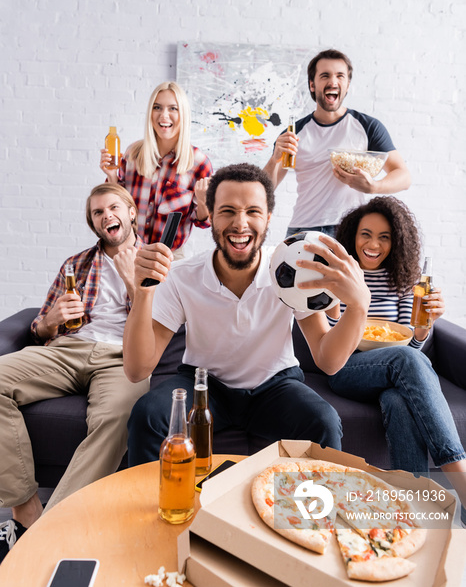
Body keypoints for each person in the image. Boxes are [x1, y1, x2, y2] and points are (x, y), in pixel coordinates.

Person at [123, 163, 371, 467]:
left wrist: (359, 305)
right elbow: (137, 370)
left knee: (324, 421)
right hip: (204, 385)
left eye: (252, 212)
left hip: (275, 386)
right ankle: (145, 510)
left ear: (267, 219)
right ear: (211, 216)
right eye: (227, 211)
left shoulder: (293, 271)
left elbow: (328, 361)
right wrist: (143, 292)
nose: (240, 224)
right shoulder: (182, 276)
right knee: (147, 415)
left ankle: (314, 513)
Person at [0, 184, 150, 563]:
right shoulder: (75, 264)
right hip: (68, 350)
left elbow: (163, 324)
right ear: (94, 222)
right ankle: (25, 511)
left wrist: (134, 281)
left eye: (113, 207)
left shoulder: (157, 260)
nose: (106, 216)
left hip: (121, 357)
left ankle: (55, 525)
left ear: (131, 212)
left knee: (118, 416)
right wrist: (49, 322)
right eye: (98, 212)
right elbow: (39, 327)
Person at [328, 196, 466, 511]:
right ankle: (461, 477)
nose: (373, 243)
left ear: (396, 242)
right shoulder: (339, 274)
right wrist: (336, 302)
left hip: (393, 370)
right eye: (366, 234)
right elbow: (331, 342)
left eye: (384, 236)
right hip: (346, 369)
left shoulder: (403, 280)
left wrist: (422, 330)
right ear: (353, 236)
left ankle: (414, 507)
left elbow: (409, 346)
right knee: (406, 362)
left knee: (398, 400)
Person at [263, 49, 411, 238]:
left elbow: (404, 176)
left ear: (347, 85)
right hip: (302, 230)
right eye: (325, 76)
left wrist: (373, 186)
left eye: (340, 76)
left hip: (350, 230)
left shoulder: (368, 126)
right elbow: (263, 190)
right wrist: (275, 159)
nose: (333, 82)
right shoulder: (293, 133)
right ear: (312, 85)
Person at [100, 81, 213, 255]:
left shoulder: (199, 163)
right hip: (129, 252)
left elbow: (203, 222)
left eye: (173, 109)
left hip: (169, 259)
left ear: (183, 114)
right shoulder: (133, 154)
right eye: (157, 107)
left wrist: (204, 201)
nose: (163, 116)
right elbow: (116, 206)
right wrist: (111, 175)